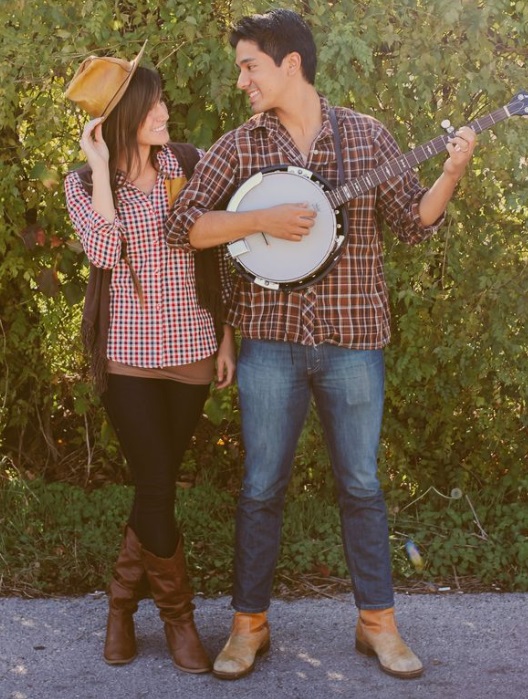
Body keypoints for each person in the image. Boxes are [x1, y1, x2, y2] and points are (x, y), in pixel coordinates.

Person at [166, 8, 476, 681]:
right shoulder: (243, 146)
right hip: (270, 343)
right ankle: (249, 626)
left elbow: (413, 223)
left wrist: (451, 171)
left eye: (250, 64)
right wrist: (260, 219)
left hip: (354, 339)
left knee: (362, 484)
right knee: (259, 486)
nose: (242, 79)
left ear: (290, 64)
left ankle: (377, 626)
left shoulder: (366, 137)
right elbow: (183, 224)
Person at [63, 43, 236, 673]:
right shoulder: (82, 183)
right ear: (125, 113)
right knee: (157, 482)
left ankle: (119, 606)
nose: (164, 109)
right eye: (153, 102)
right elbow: (107, 254)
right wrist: (102, 166)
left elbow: (215, 254)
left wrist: (225, 336)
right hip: (129, 359)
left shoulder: (185, 164)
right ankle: (179, 619)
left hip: (192, 350)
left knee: (154, 486)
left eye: (162, 99)